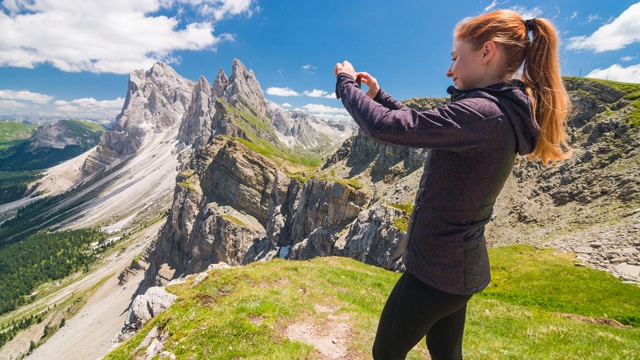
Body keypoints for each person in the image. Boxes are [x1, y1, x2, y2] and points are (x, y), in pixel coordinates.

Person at [334, 9, 571, 360]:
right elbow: (421, 126)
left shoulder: (483, 114)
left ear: (487, 52)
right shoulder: (493, 111)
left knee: (385, 352)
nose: (449, 70)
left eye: (456, 57)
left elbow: (385, 128)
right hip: (457, 269)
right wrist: (381, 96)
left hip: (437, 272)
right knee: (445, 350)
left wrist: (345, 83)